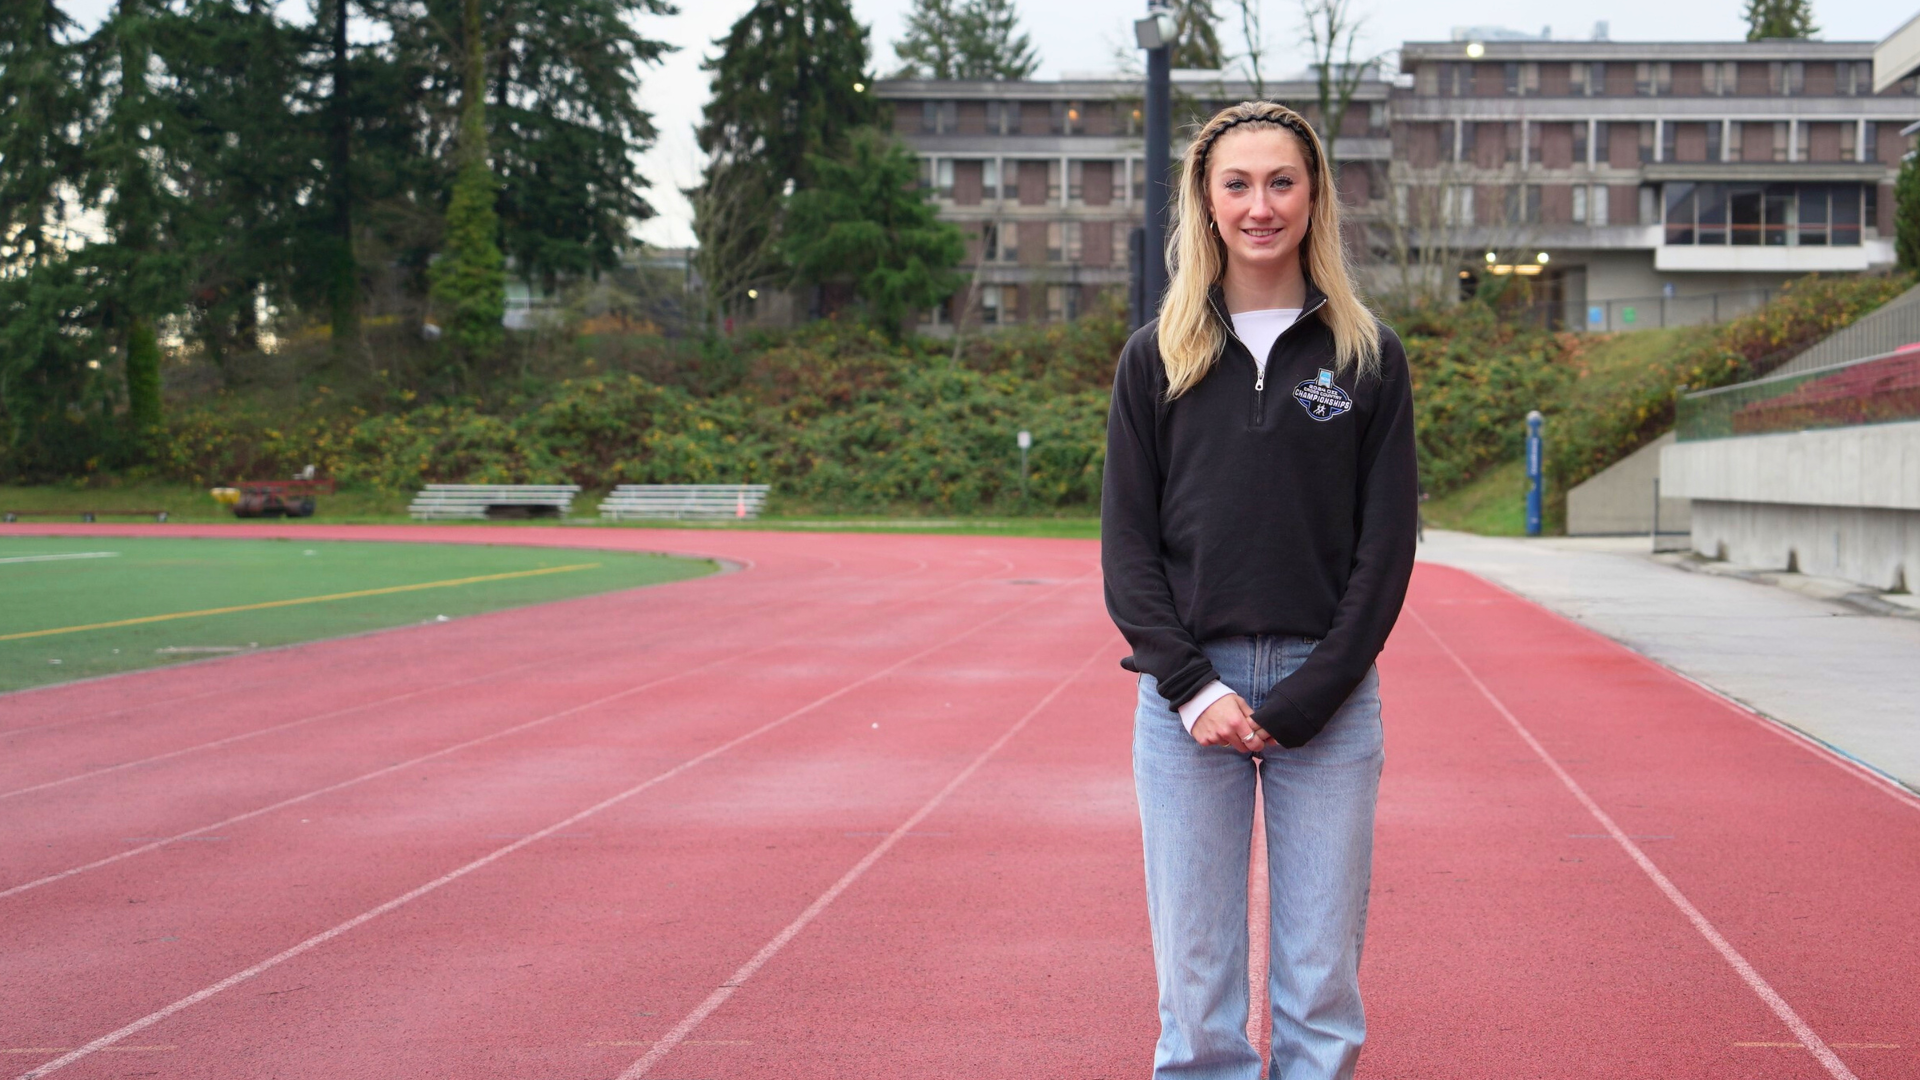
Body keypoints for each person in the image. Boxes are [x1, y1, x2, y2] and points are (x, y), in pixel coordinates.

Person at [1101, 100, 1418, 1080]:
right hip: (1187, 698)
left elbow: (1386, 549)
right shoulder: (1158, 358)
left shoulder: (1364, 358)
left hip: (1327, 695)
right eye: (1237, 183)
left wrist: (1310, 696)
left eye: (1281, 181)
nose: (1260, 205)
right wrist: (1193, 687)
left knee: (1320, 983)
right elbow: (1128, 549)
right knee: (1195, 989)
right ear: (1206, 199)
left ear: (1314, 195)